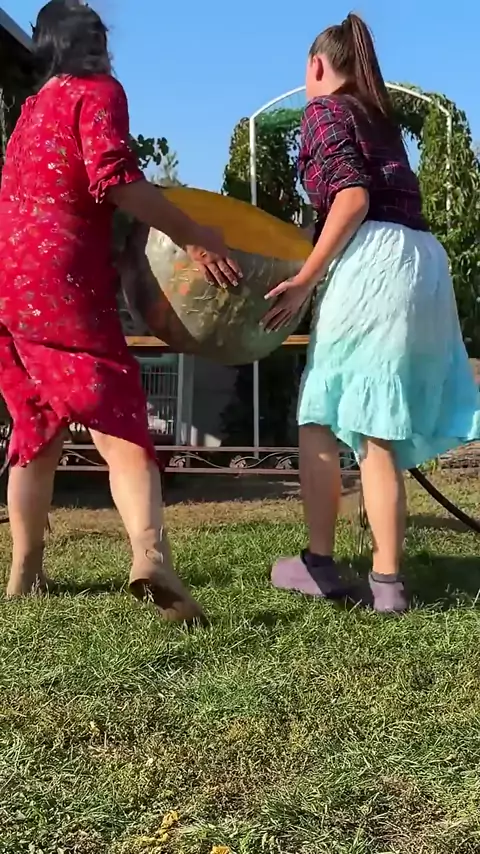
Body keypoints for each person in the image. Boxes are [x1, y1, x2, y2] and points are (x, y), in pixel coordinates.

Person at [0, 0, 241, 622]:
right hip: (62, 277)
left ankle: (25, 573)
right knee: (119, 419)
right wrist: (193, 235)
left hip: (9, 282)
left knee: (36, 428)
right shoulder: (97, 91)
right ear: (94, 45)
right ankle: (150, 557)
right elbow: (115, 179)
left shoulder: (32, 109)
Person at [263, 13, 480, 613]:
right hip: (421, 262)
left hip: (375, 262)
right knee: (376, 425)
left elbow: (352, 198)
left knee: (320, 414)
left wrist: (304, 280)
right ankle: (388, 584)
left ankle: (319, 564)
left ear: (316, 65)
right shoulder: (377, 118)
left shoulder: (323, 110)